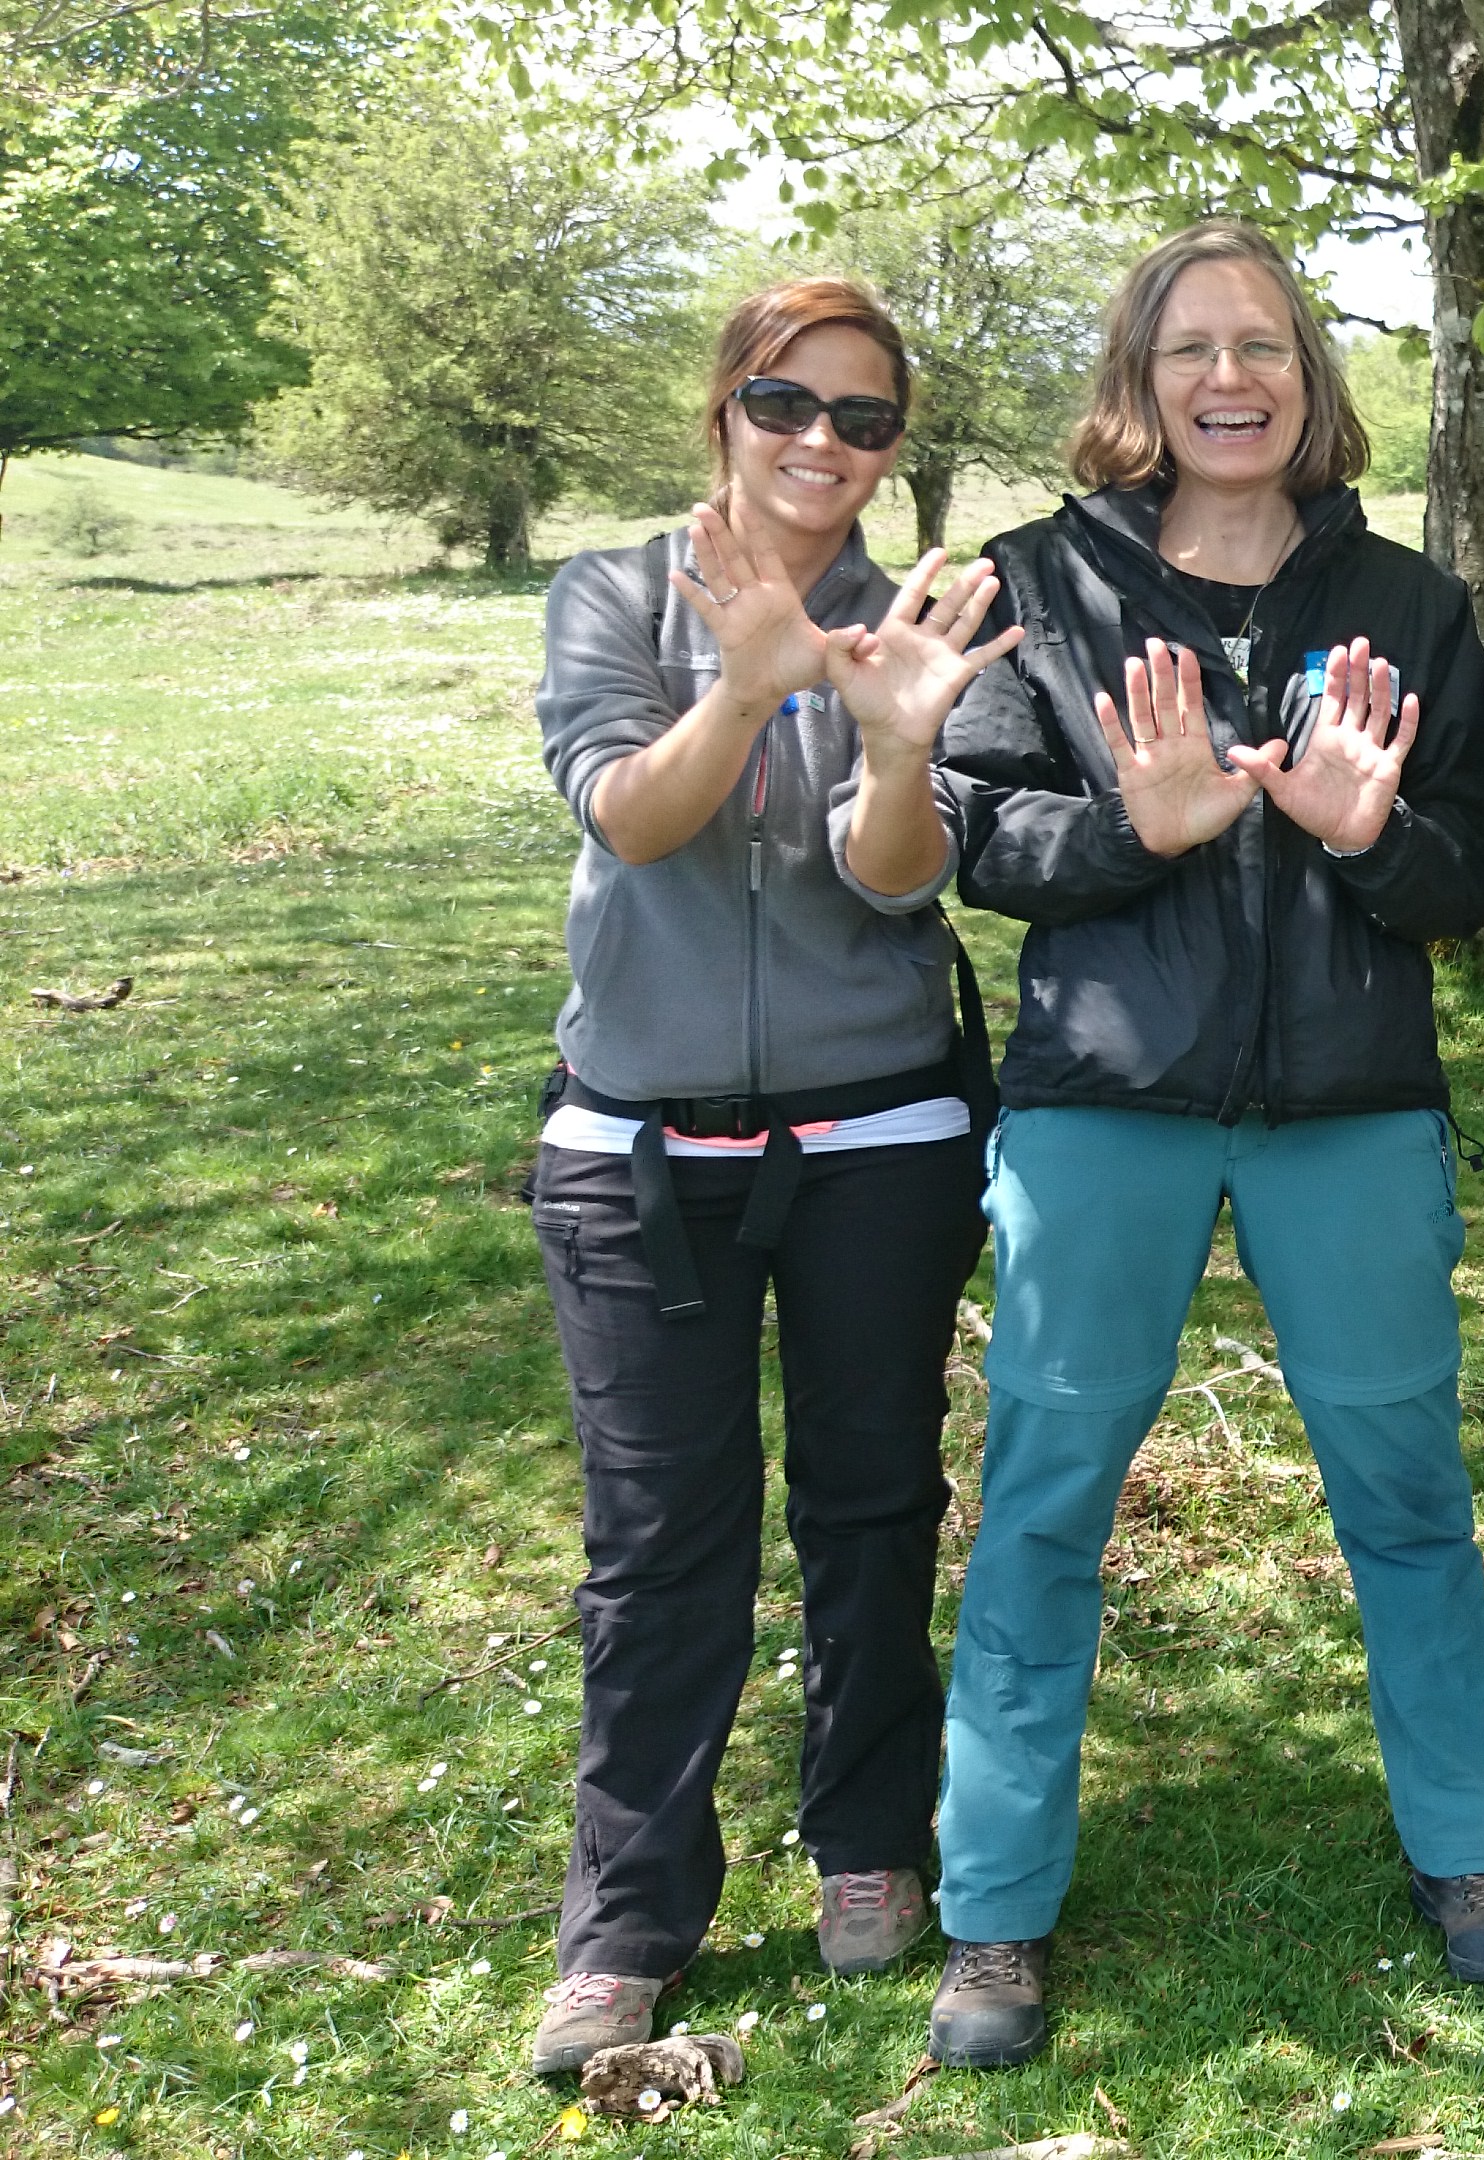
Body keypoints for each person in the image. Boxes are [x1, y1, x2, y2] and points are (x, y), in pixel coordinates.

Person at [922, 219, 1484, 2070]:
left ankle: (1474, 1855)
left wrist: (1363, 837)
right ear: (1140, 380)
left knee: (1408, 1497)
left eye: (1262, 345)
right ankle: (995, 1909)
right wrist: (1141, 832)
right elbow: (978, 836)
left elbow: (1474, 872)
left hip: (1348, 1117)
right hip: (1105, 1108)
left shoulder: (1415, 601)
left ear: (1310, 377)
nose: (1229, 381)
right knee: (1043, 1499)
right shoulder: (1045, 584)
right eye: (1191, 350)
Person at [523, 277, 1020, 2073]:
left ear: (895, 448)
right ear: (724, 407)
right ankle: (630, 1917)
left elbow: (897, 883)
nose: (823, 441)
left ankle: (874, 1841)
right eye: (787, 401)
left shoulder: (919, 617)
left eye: (866, 418)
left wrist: (894, 737)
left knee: (876, 1505)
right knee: (660, 1542)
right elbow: (629, 816)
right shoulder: (609, 591)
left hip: (877, 1139)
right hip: (637, 1147)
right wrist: (740, 691)